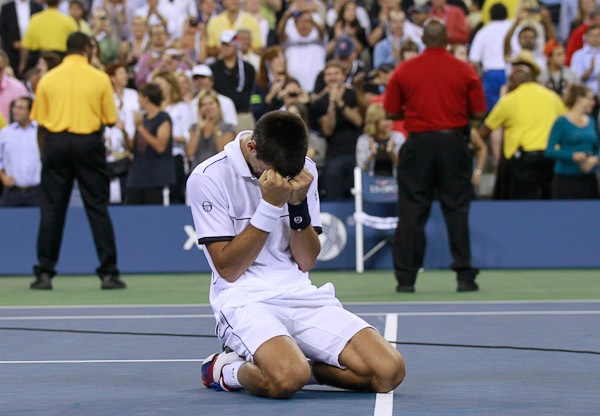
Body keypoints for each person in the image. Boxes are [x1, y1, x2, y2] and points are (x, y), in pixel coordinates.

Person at [187, 110, 405, 399]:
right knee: (287, 378)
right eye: (274, 170)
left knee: (388, 371)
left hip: (301, 295)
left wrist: (298, 205)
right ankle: (224, 370)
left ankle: (304, 367)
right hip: (244, 300)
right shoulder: (208, 177)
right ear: (252, 147)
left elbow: (306, 261)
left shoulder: (305, 170)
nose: (283, 179)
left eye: (290, 172)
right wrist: (269, 207)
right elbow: (228, 269)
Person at [383, 20, 486, 293]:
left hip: (418, 144)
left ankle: (406, 279)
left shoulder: (405, 70)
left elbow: (391, 111)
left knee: (412, 211)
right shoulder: (464, 70)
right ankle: (464, 276)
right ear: (447, 41)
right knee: (457, 209)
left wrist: (416, 110)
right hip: (453, 142)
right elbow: (479, 112)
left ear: (424, 41)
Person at [29, 32, 125, 290]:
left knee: (51, 209)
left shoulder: (48, 78)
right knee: (97, 207)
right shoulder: (99, 77)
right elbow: (109, 119)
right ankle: (108, 273)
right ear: (87, 48)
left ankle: (44, 273)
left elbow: (40, 122)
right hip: (88, 143)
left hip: (56, 143)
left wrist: (46, 154)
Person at [478, 60, 566, 200]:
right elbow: (565, 123)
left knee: (524, 201)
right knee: (548, 199)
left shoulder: (509, 100)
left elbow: (487, 129)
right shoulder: (552, 97)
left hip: (523, 158)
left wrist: (472, 142)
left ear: (512, 83)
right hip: (550, 156)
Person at [545, 84, 600, 199]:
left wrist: (595, 159)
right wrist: (572, 156)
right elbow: (549, 150)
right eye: (590, 99)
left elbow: (598, 147)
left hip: (589, 180)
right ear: (579, 99)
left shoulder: (591, 121)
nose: (593, 103)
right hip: (566, 180)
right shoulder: (561, 122)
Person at [125, 82, 175, 205]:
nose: (138, 101)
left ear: (146, 98)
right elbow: (133, 149)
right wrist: (123, 131)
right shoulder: (142, 119)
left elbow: (161, 147)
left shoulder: (163, 118)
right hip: (136, 177)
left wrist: (140, 128)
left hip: (155, 177)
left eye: (139, 97)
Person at [18, 0, 78, 77]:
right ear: (59, 1)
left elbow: (26, 46)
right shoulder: (69, 21)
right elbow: (76, 44)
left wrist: (22, 64)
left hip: (40, 60)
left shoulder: (35, 19)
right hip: (61, 62)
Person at [0, 96, 40, 206]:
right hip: (12, 192)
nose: (15, 111)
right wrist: (2, 177)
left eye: (21, 108)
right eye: (15, 107)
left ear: (30, 112)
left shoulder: (40, 133)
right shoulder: (5, 133)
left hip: (37, 191)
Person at [186, 89, 235, 169]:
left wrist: (215, 126)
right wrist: (199, 128)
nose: (208, 107)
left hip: (219, 169)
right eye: (204, 105)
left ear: (218, 106)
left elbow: (224, 153)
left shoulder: (227, 127)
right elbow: (190, 154)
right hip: (198, 169)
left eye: (211, 103)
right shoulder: (194, 127)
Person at [355, 103, 404, 177]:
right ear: (375, 122)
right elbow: (361, 167)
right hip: (370, 181)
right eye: (385, 120)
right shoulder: (364, 140)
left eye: (390, 119)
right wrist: (371, 155)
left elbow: (404, 165)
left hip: (394, 181)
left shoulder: (398, 137)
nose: (389, 122)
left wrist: (392, 154)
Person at [0, 0, 44, 76]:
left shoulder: (38, 7)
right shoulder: (6, 7)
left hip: (33, 53)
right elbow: (2, 28)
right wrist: (12, 43)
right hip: (12, 52)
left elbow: (42, 28)